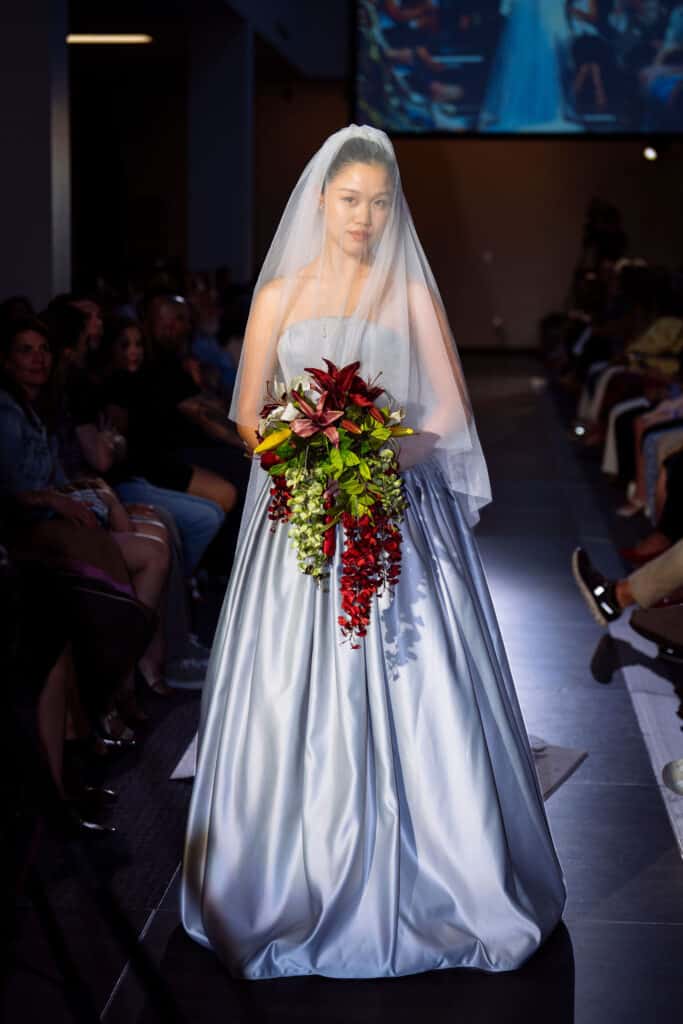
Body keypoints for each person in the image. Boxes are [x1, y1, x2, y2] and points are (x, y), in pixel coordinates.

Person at [181, 125, 565, 979]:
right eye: (349, 200)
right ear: (320, 200)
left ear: (393, 209)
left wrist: (384, 454)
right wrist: (306, 457)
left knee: (418, 686)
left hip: (399, 513)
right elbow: (248, 413)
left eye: (378, 203)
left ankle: (442, 873)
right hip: (302, 518)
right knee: (293, 689)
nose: (362, 217)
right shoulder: (278, 294)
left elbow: (451, 416)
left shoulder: (410, 298)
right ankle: (289, 876)